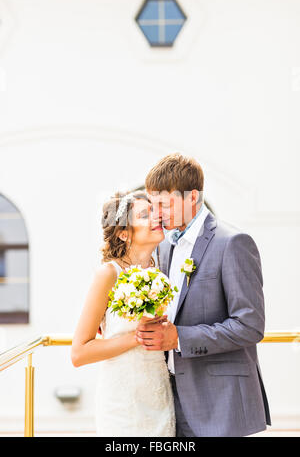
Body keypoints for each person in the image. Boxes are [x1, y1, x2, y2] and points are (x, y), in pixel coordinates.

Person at [136, 152, 271, 437]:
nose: (158, 213)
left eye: (165, 204)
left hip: (221, 404)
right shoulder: (162, 247)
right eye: (154, 204)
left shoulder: (233, 243)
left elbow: (250, 326)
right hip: (171, 401)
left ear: (192, 197)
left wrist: (180, 338)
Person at [71, 190, 175, 437]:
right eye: (144, 215)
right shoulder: (108, 274)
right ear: (123, 233)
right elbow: (79, 352)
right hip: (122, 401)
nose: (155, 217)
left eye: (154, 211)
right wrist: (135, 338)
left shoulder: (164, 270)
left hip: (160, 393)